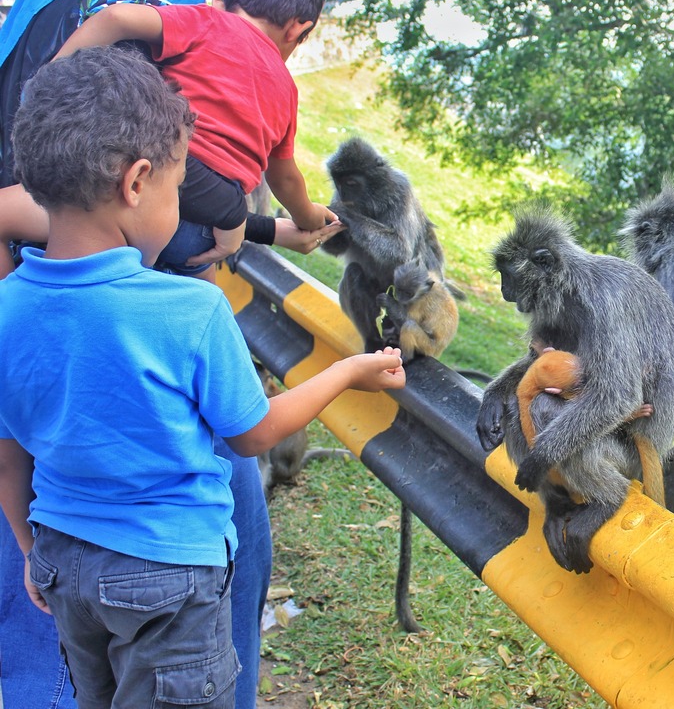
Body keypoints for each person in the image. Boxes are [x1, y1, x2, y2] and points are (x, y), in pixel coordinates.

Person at [0, 45, 407, 709]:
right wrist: (348, 372)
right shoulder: (189, 309)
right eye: (177, 186)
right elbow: (254, 434)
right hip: (167, 581)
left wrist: (28, 551)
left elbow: (9, 460)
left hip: (63, 563)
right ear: (136, 184)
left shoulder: (7, 306)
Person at [55, 0, 336, 277]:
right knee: (202, 288)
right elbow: (285, 178)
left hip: (140, 192)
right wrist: (308, 217)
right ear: (298, 29)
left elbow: (115, 15)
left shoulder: (206, 21)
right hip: (203, 232)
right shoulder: (288, 91)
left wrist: (49, 79)